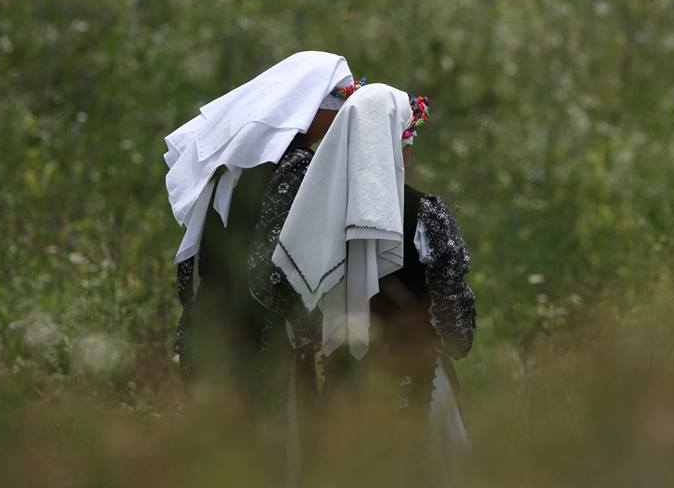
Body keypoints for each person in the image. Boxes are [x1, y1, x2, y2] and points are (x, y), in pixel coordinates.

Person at [272, 85, 475, 479]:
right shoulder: (426, 213)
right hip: (420, 383)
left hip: (344, 392)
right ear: (397, 145)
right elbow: (457, 329)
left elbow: (298, 313)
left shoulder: (312, 219)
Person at [162, 51, 363, 387]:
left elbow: (191, 258)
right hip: (257, 343)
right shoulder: (297, 165)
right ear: (314, 107)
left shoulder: (231, 161)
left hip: (207, 327)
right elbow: (270, 270)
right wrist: (313, 329)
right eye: (338, 110)